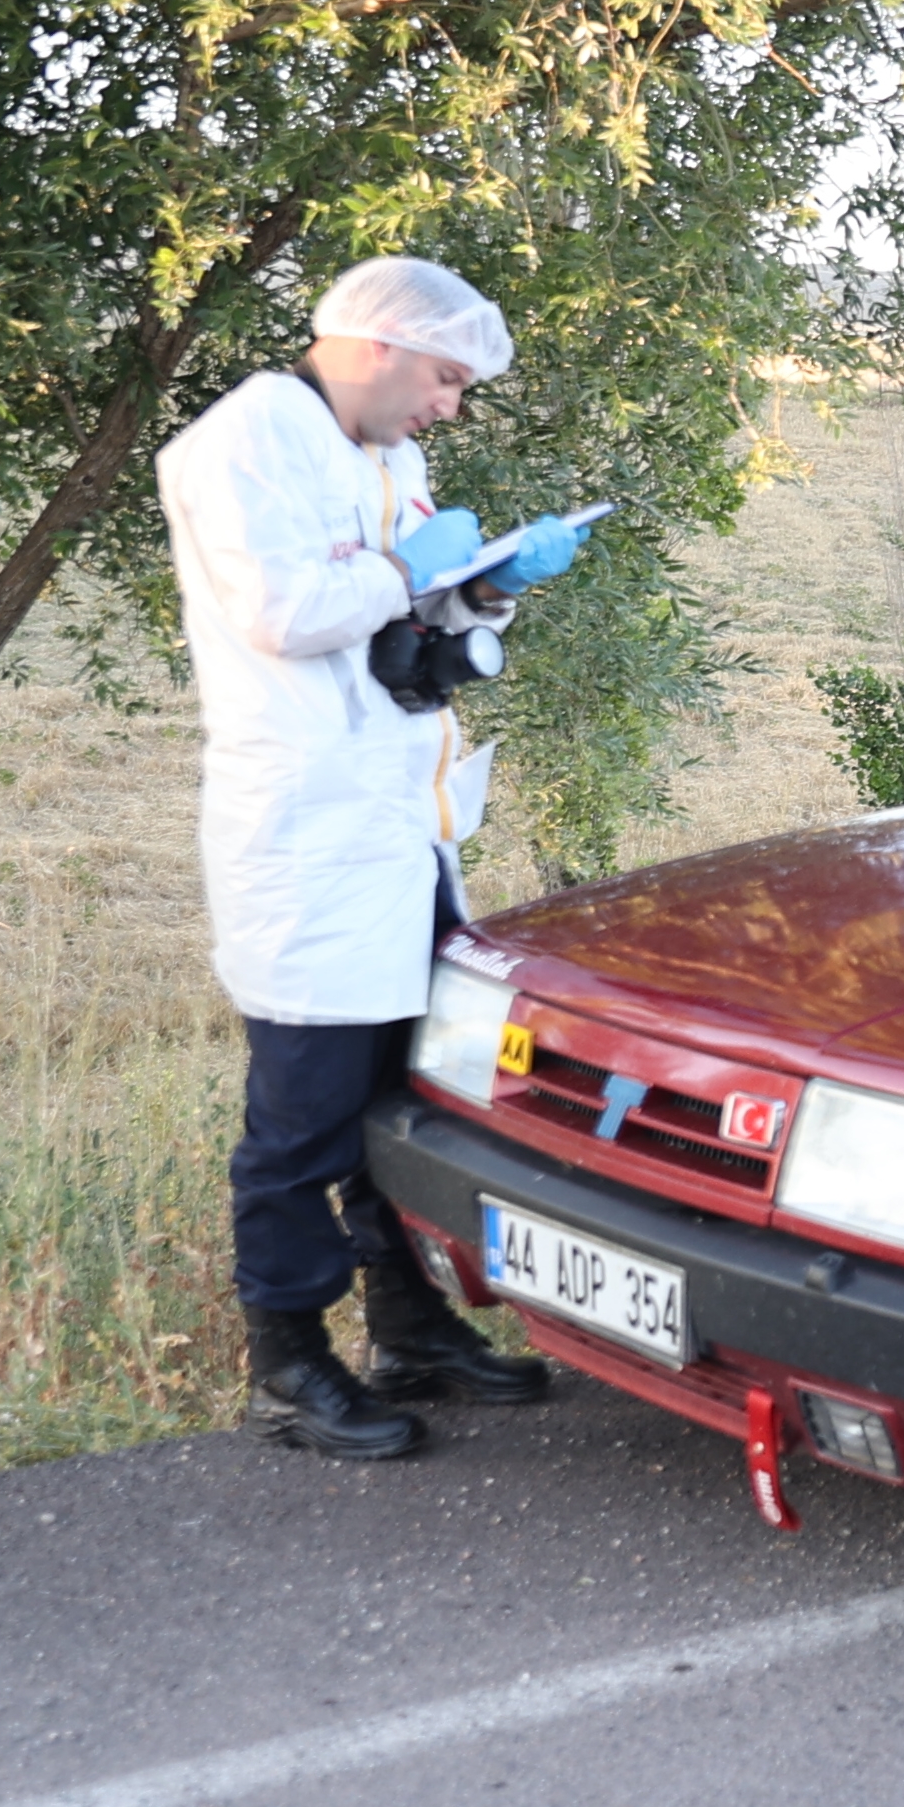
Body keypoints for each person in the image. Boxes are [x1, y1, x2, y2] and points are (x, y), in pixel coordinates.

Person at [157, 258, 589, 1459]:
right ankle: (288, 1360)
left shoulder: (387, 456)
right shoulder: (239, 443)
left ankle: (412, 1326)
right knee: (303, 1118)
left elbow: (412, 622)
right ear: (377, 345)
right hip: (306, 832)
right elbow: (287, 614)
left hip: (406, 825)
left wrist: (486, 590)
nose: (449, 406)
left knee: (410, 1093)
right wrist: (408, 567)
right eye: (446, 379)